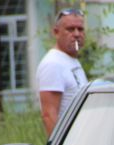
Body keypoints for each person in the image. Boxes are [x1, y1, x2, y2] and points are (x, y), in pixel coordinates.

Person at [37, 8, 88, 136]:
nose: (76, 34)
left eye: (80, 29)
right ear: (56, 32)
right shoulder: (53, 63)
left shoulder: (71, 59)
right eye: (70, 29)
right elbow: (49, 115)